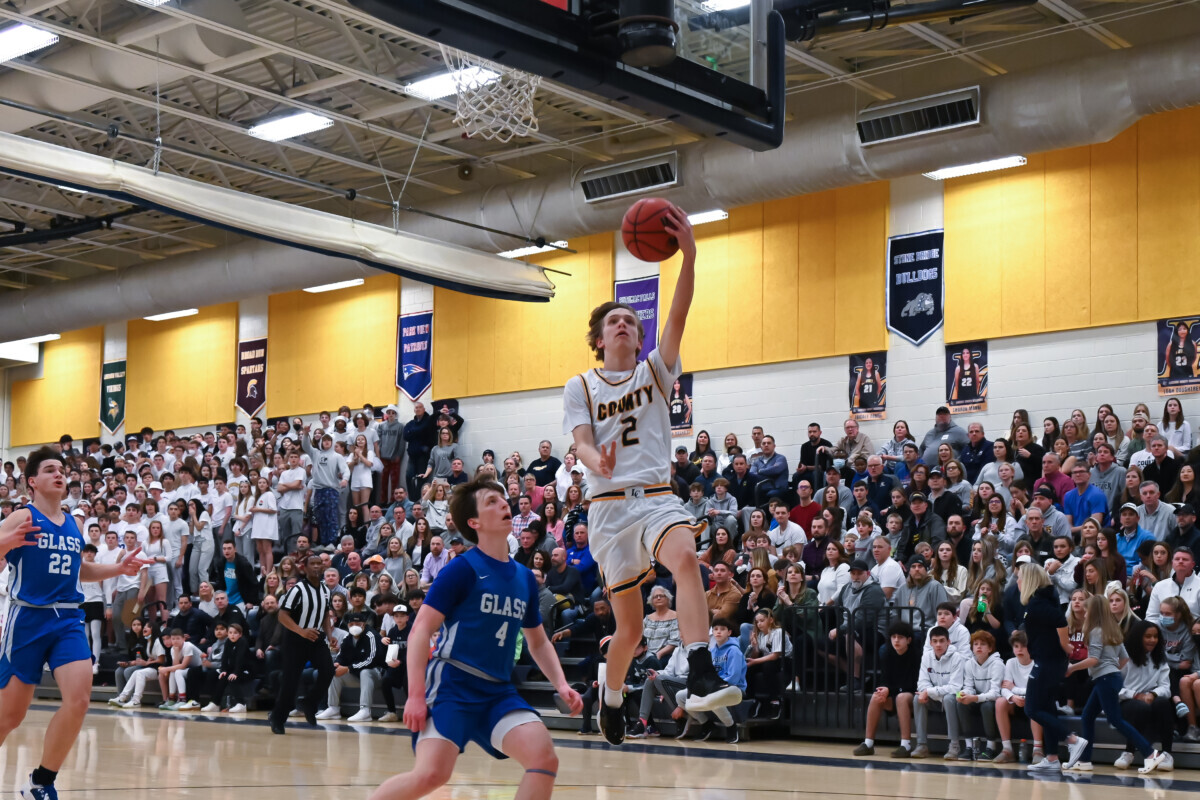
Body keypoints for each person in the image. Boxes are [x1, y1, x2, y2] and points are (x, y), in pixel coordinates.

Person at [562, 205, 735, 747]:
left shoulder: (654, 371)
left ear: (639, 340)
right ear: (599, 338)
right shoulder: (581, 386)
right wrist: (596, 463)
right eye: (615, 321)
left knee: (686, 559)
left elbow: (678, 317)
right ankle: (610, 698)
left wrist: (689, 257)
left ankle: (702, 667)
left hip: (658, 497)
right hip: (609, 509)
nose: (625, 325)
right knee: (630, 630)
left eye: (632, 323)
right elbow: (583, 444)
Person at [368, 476, 582, 800]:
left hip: (498, 690)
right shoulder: (462, 569)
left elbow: (537, 641)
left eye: (502, 499)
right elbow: (420, 630)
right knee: (431, 774)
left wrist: (562, 684)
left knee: (544, 757)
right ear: (474, 522)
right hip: (453, 684)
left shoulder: (525, 578)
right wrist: (414, 695)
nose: (502, 505)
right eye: (491, 503)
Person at [0, 446, 152, 800]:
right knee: (10, 716)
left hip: (68, 617)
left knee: (79, 699)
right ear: (31, 482)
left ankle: (40, 781)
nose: (59, 474)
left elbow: (78, 568)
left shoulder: (73, 522)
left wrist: (118, 568)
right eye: (50, 469)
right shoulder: (21, 517)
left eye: (62, 469)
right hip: (28, 619)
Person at [1065, 594, 1166, 773]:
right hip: (1110, 678)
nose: (1085, 614)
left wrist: (1072, 668)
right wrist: (1111, 670)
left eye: (1087, 611)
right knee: (1087, 716)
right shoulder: (1112, 630)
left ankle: (1151, 754)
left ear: (1093, 612)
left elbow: (1094, 659)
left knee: (1115, 719)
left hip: (1105, 679)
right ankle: (1085, 760)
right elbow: (1124, 658)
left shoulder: (1096, 631)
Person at [1018, 562, 1088, 773]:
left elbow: (1060, 619)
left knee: (1032, 708)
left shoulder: (1038, 603)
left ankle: (1072, 739)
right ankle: (1051, 757)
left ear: (1029, 580)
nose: (1018, 581)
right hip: (1051, 661)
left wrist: (1065, 643)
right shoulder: (1043, 599)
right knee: (1047, 708)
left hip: (1047, 662)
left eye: (1020, 577)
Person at [268, 554, 336, 735]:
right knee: (290, 682)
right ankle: (278, 718)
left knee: (329, 670)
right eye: (312, 564)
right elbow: (282, 615)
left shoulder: (325, 590)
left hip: (315, 638)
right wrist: (301, 631)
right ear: (304, 568)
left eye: (318, 564)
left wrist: (330, 635)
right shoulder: (297, 589)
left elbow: (324, 615)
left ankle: (309, 702)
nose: (316, 567)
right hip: (295, 640)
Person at [853, 621, 919, 758]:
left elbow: (913, 685)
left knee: (901, 697)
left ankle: (905, 745)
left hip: (913, 699)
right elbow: (884, 680)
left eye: (900, 637)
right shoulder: (888, 654)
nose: (896, 640)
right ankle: (868, 743)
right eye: (893, 637)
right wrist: (884, 690)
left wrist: (891, 690)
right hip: (895, 696)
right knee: (876, 696)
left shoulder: (916, 656)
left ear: (909, 640)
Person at [1117, 620, 1176, 771]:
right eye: (1148, 636)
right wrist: (1137, 695)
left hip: (1151, 699)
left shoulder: (1160, 658)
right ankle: (1129, 752)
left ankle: (1167, 754)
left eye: (1155, 636)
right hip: (1127, 700)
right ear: (1138, 637)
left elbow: (1166, 687)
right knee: (1139, 707)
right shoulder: (1124, 657)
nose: (1152, 640)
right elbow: (1115, 687)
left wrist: (1153, 694)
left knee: (1163, 703)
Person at [911, 626, 965, 759]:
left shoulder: (957, 657)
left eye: (942, 641)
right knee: (917, 699)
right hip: (935, 697)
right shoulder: (926, 657)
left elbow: (956, 687)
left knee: (949, 698)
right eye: (935, 641)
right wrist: (927, 692)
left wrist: (929, 691)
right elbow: (922, 683)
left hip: (956, 697)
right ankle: (921, 745)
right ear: (930, 643)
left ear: (949, 642)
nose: (938, 644)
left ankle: (954, 746)